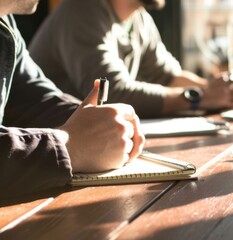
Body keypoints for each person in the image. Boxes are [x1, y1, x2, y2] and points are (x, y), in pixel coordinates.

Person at [0, 0, 144, 199]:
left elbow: (33, 98)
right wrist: (70, 146)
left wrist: (103, 124)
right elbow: (120, 88)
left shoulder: (5, 22)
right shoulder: (82, 10)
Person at [29, 0, 233, 118]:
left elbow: (167, 76)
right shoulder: (81, 10)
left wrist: (221, 89)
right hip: (48, 149)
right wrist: (198, 98)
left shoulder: (139, 19)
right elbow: (111, 93)